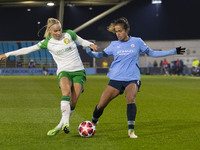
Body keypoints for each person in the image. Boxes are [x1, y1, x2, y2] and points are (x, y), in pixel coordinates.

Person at [86, 17, 185, 138]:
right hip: (116, 78)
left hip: (132, 77)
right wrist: (90, 52)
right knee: (101, 105)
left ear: (127, 30)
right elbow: (100, 55)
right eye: (116, 31)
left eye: (120, 31)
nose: (118, 34)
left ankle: (131, 131)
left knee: (130, 99)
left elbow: (152, 53)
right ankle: (93, 122)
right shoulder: (114, 44)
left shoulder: (137, 42)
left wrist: (173, 51)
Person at [0, 18, 98, 136]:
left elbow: (81, 41)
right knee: (66, 92)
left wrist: (90, 44)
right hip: (64, 71)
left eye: (59, 30)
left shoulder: (69, 34)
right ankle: (66, 123)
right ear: (50, 31)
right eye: (55, 31)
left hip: (78, 71)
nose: (58, 33)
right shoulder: (47, 42)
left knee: (73, 101)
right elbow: (27, 50)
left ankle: (59, 126)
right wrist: (7, 54)